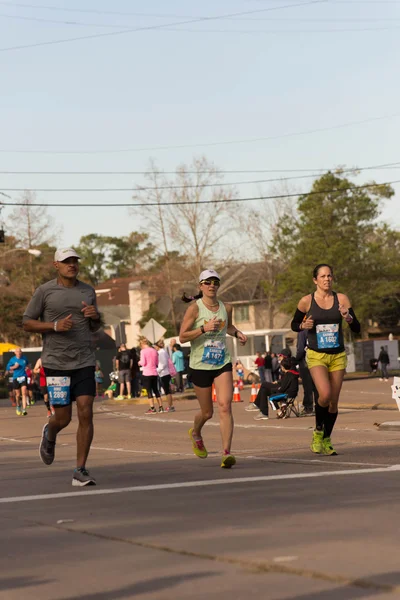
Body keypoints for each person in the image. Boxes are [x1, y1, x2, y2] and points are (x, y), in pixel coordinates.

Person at [23, 247, 102, 486]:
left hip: (84, 360)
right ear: (55, 264)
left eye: (75, 261)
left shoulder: (88, 290)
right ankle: (50, 432)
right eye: (66, 261)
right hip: (56, 363)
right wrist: (54, 327)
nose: (72, 265)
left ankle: (80, 470)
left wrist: (95, 317)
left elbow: (95, 326)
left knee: (86, 410)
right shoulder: (45, 291)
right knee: (63, 417)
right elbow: (27, 323)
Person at [180, 269, 247, 469]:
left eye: (215, 282)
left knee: (225, 406)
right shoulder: (195, 309)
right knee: (207, 412)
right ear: (201, 286)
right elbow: (182, 337)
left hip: (221, 362)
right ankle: (196, 432)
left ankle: (226, 452)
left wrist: (237, 333)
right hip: (200, 365)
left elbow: (228, 326)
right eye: (208, 282)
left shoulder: (227, 307)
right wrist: (203, 329)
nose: (212, 286)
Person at [291, 263, 360, 456]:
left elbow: (357, 328)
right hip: (316, 354)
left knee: (334, 402)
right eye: (322, 276)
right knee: (325, 394)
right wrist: (303, 324)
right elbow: (294, 324)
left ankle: (327, 439)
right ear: (315, 280)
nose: (327, 279)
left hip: (337, 354)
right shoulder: (306, 301)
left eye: (329, 276)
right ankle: (318, 430)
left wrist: (348, 318)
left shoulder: (342, 299)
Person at [295, 329, 319, 415]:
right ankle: (320, 407)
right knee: (317, 387)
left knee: (308, 387)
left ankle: (308, 407)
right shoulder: (317, 329)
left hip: (306, 363)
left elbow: (300, 349)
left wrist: (296, 360)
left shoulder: (302, 331)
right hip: (319, 362)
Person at [139, 338, 163, 414]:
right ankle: (161, 407)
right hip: (154, 372)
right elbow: (157, 362)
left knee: (149, 391)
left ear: (142, 344)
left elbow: (143, 362)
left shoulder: (143, 351)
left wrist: (139, 362)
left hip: (147, 373)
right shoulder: (154, 350)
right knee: (156, 390)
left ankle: (152, 408)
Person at [5, 347, 29, 416]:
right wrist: (14, 367)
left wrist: (27, 367)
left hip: (23, 376)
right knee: (18, 395)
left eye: (20, 351)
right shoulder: (12, 360)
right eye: (18, 351)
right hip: (16, 378)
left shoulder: (24, 358)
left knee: (24, 392)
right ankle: (18, 406)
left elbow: (28, 364)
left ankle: (24, 409)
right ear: (15, 353)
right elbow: (8, 367)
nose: (19, 353)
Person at [156, 339, 175, 412]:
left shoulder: (161, 353)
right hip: (165, 373)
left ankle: (170, 406)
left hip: (164, 373)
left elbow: (163, 364)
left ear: (158, 346)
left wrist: (157, 370)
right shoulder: (163, 352)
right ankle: (170, 406)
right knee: (167, 390)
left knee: (167, 391)